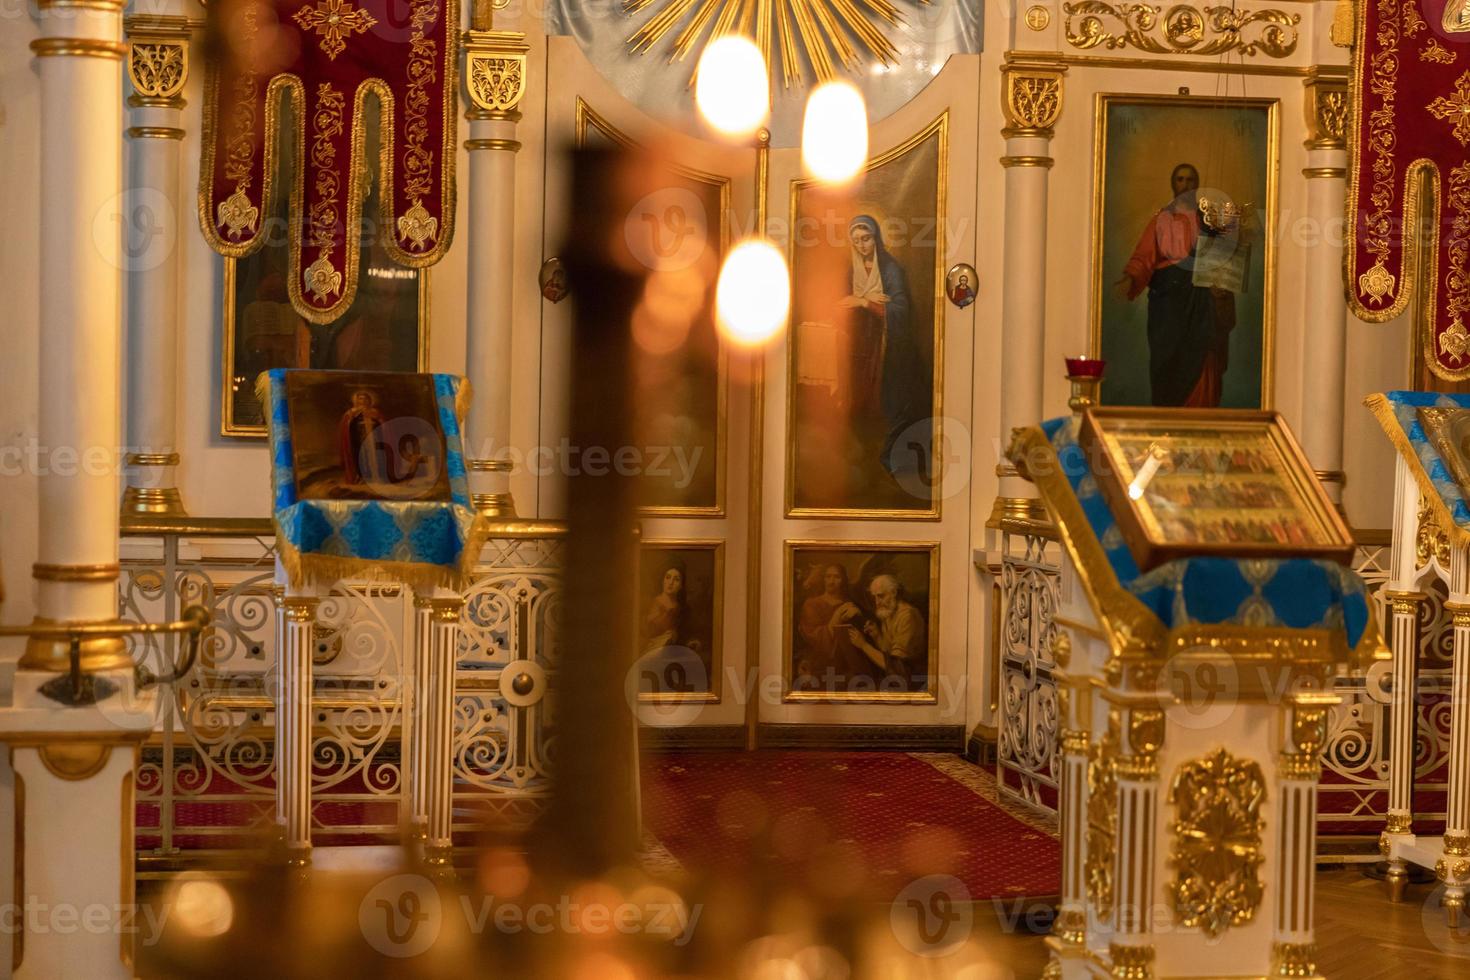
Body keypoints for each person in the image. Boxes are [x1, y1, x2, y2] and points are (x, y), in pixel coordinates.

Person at [1114, 163, 1237, 407]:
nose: (1185, 185)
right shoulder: (1161, 220)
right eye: (1180, 179)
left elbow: (1223, 260)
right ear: (1173, 184)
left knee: (1204, 357)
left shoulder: (1209, 221)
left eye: (1190, 180)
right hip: (1169, 306)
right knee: (1168, 363)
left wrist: (1221, 288)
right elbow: (1144, 257)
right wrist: (1130, 278)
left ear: (1197, 184)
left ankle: (1200, 421)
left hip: (1202, 303)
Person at [841, 216, 932, 477]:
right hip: (863, 345)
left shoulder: (891, 269)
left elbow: (901, 310)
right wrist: (864, 299)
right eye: (856, 240)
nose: (861, 245)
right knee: (857, 399)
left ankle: (891, 458)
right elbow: (841, 302)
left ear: (876, 238)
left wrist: (864, 303)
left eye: (866, 238)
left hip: (891, 346)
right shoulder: (852, 268)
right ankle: (858, 457)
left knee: (893, 398)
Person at [843, 573, 926, 690]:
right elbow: (889, 653)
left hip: (913, 683)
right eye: (875, 597)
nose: (877, 602)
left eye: (881, 596)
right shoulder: (888, 613)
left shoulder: (908, 616)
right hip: (897, 681)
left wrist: (863, 645)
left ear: (894, 593)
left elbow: (896, 667)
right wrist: (877, 636)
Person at [796, 563, 859, 687]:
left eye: (836, 577)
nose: (831, 581)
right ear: (823, 579)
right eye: (828, 577)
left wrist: (859, 616)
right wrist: (837, 616)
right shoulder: (812, 604)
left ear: (843, 580)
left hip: (844, 669)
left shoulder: (850, 604)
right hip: (816, 666)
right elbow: (815, 638)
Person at [338, 388, 385, 486]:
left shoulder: (375, 412)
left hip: (374, 440)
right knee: (361, 458)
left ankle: (375, 477)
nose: (363, 401)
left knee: (376, 457)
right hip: (358, 441)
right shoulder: (350, 413)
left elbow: (383, 426)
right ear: (356, 400)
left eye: (365, 399)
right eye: (360, 399)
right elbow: (346, 427)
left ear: (369, 400)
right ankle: (362, 477)